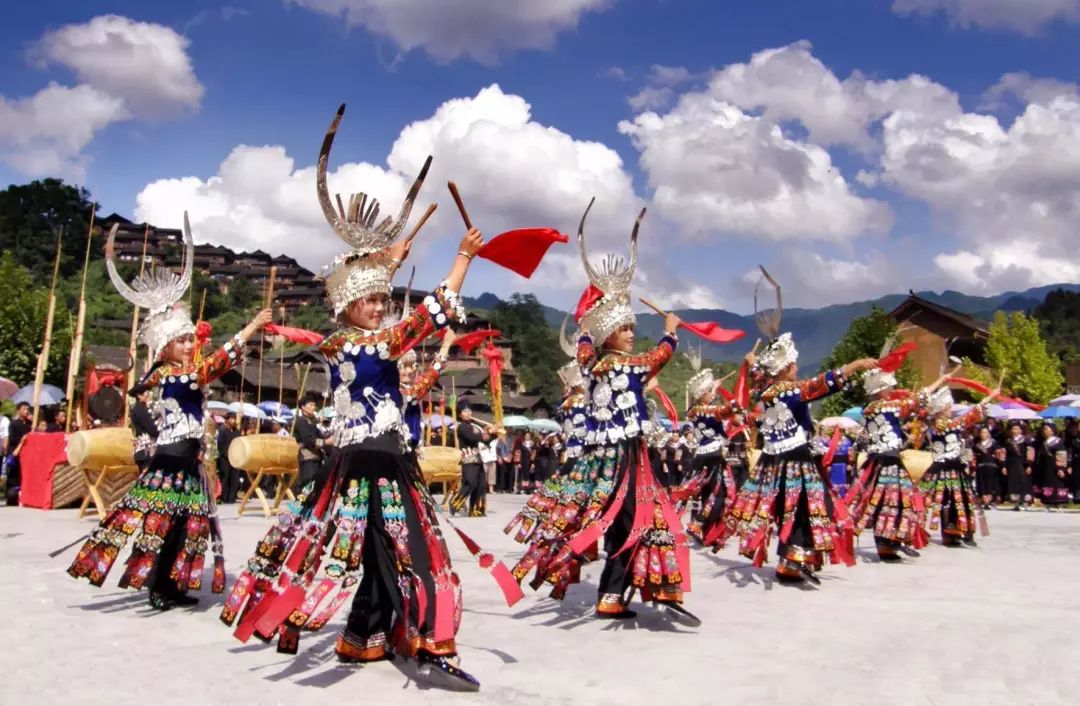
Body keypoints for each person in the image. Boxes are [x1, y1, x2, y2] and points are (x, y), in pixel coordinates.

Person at [220, 116, 484, 689]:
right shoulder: (354, 341)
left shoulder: (361, 337)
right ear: (346, 306)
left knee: (374, 551)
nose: (378, 305)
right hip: (366, 462)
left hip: (384, 458)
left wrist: (386, 262)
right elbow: (426, 316)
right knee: (405, 548)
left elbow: (402, 319)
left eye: (380, 299)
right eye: (368, 299)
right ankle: (426, 642)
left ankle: (363, 636)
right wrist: (461, 260)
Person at [68, 213, 272, 610]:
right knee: (165, 524)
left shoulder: (177, 372)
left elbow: (208, 367)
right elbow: (212, 366)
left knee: (183, 527)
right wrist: (249, 328)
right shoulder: (175, 376)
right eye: (180, 341)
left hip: (186, 459)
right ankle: (161, 585)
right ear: (164, 347)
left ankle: (169, 584)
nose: (186, 345)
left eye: (186, 339)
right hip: (173, 460)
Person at [524, 200, 695, 623]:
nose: (632, 334)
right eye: (625, 329)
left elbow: (584, 341)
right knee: (640, 517)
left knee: (618, 520)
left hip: (604, 459)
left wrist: (593, 315)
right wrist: (670, 332)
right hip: (625, 457)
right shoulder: (626, 364)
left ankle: (613, 595)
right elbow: (659, 357)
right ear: (609, 336)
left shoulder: (592, 362)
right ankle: (626, 591)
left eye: (633, 328)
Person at [732, 326, 875, 584]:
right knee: (803, 508)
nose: (797, 369)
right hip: (795, 458)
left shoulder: (763, 392)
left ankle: (791, 559)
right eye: (794, 365)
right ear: (785, 369)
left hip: (771, 459)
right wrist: (856, 364)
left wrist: (752, 362)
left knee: (786, 508)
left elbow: (757, 377)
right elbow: (822, 383)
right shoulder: (791, 391)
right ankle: (791, 560)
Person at [844, 359, 953, 561]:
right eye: (889, 387)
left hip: (881, 459)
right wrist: (940, 380)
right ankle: (888, 542)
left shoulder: (870, 408)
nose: (892, 389)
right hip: (887, 462)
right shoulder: (884, 407)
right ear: (881, 389)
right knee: (893, 501)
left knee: (886, 501)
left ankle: (889, 543)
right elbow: (917, 399)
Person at [919, 387, 996, 547]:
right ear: (940, 410)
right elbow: (966, 419)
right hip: (941, 468)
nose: (950, 411)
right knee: (945, 499)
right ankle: (948, 530)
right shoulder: (939, 425)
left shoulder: (947, 423)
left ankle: (962, 530)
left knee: (962, 500)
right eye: (947, 408)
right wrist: (988, 398)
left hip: (955, 466)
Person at [450, 405, 486, 517]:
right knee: (471, 483)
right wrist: (487, 433)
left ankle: (476, 510)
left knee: (481, 486)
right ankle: (455, 502)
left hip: (478, 459)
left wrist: (493, 434)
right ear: (460, 414)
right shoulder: (461, 427)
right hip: (468, 459)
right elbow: (472, 438)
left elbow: (485, 441)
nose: (468, 413)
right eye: (465, 411)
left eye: (469, 411)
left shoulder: (475, 426)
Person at [293, 393, 328, 491]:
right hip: (306, 457)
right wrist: (325, 442)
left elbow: (321, 436)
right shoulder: (301, 421)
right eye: (311, 405)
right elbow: (308, 441)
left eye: (314, 405)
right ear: (303, 407)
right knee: (308, 484)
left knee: (315, 484)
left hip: (316, 457)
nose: (313, 407)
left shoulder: (313, 422)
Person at [1034, 422, 1069, 508]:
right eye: (1043, 429)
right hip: (1045, 467)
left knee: (1057, 482)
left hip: (1055, 466)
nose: (1044, 431)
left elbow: (1061, 454)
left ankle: (1059, 502)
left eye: (1046, 429)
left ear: (1052, 431)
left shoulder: (1058, 442)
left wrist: (1061, 468)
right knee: (1047, 482)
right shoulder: (1044, 442)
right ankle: (1048, 502)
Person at [1002, 421, 1033, 509]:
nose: (1015, 430)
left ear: (1020, 430)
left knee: (1023, 482)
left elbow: (1030, 452)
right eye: (1013, 429)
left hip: (1022, 463)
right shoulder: (1008, 440)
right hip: (1011, 464)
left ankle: (1023, 501)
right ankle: (1016, 502)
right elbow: (1004, 454)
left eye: (1017, 429)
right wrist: (1004, 465)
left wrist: (1029, 465)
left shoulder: (1026, 440)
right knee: (1013, 482)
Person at [5, 402, 31, 505]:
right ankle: (12, 499)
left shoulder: (29, 424)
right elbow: (12, 439)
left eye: (27, 409)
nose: (26, 411)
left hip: (26, 455)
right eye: (24, 409)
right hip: (16, 453)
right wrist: (22, 439)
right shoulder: (13, 423)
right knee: (13, 478)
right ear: (19, 410)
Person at [972, 426, 1003, 508]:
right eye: (982, 432)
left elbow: (1000, 456)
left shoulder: (994, 445)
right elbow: (974, 458)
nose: (983, 434)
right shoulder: (976, 446)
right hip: (981, 468)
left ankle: (991, 501)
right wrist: (973, 468)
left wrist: (1001, 464)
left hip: (991, 467)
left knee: (991, 484)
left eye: (985, 432)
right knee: (982, 484)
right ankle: (983, 501)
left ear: (989, 434)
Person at [129, 388, 158, 472]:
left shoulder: (143, 408)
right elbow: (153, 429)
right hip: (146, 450)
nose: (150, 394)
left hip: (148, 450)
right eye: (147, 392)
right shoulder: (141, 410)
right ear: (139, 395)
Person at [216, 413, 242, 503]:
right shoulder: (221, 431)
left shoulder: (237, 432)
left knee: (234, 478)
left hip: (235, 458)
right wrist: (227, 455)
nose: (233, 421)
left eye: (234, 419)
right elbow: (220, 445)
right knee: (225, 477)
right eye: (232, 419)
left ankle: (232, 497)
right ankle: (224, 497)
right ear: (227, 420)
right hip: (225, 458)